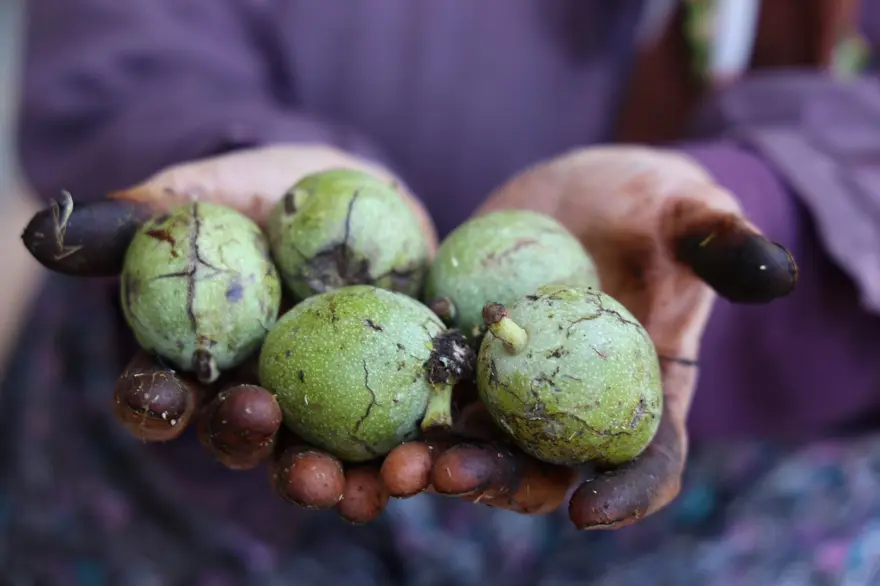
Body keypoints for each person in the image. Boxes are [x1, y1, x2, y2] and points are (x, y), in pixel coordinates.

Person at [5, 0, 880, 584]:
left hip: (755, 484)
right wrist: (217, 145)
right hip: (184, 488)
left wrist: (774, 201)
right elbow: (130, 30)